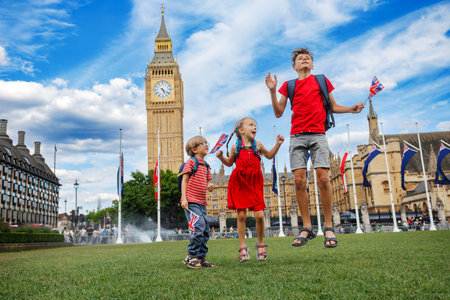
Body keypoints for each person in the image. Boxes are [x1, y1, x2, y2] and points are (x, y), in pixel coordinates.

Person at [265, 47, 365, 248]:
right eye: (301, 58)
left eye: (308, 58)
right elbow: (278, 113)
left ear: (312, 64)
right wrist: (273, 91)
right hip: (297, 136)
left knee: (323, 178)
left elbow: (333, 106)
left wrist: (350, 109)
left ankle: (328, 226)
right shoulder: (288, 85)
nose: (305, 60)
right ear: (294, 66)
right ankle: (307, 227)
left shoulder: (321, 80)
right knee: (299, 181)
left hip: (318, 134)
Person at [216, 117, 284, 262]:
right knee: (241, 216)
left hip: (255, 182)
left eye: (255, 125)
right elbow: (229, 163)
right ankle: (242, 246)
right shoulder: (235, 147)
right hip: (240, 182)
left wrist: (278, 144)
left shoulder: (257, 145)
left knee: (259, 215)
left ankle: (260, 244)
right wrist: (222, 157)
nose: (255, 127)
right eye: (251, 125)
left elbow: (269, 155)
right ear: (241, 131)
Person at [181, 136, 215, 269]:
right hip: (191, 202)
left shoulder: (206, 166)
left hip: (202, 203)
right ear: (194, 149)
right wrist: (184, 198)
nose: (207, 145)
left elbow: (208, 183)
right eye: (203, 143)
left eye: (207, 143)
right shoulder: (191, 162)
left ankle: (201, 258)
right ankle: (191, 256)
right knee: (199, 227)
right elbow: (184, 180)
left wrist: (210, 186)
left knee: (206, 230)